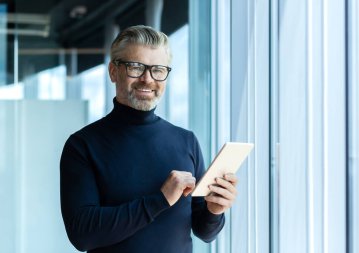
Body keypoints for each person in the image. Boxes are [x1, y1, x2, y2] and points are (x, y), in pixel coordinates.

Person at [60, 25, 238, 253]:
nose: (148, 79)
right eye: (136, 67)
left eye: (158, 69)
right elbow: (82, 235)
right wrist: (160, 200)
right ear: (113, 71)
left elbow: (205, 231)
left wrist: (215, 210)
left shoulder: (186, 141)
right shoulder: (82, 145)